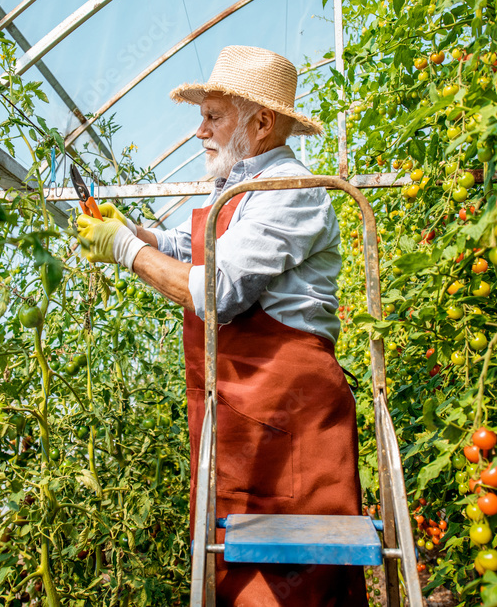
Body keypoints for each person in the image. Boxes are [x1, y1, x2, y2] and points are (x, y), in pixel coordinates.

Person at [77, 45, 367, 606]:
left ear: (261, 122)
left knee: (294, 580)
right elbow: (201, 247)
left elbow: (218, 289)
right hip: (245, 410)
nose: (199, 131)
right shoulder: (242, 187)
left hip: (287, 414)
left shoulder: (291, 190)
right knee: (236, 569)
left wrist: (122, 250)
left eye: (213, 116)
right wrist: (137, 232)